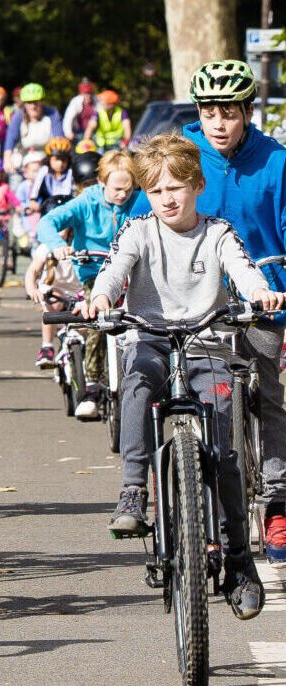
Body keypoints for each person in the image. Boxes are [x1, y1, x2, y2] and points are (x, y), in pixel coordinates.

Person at [86, 133, 284, 619]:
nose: (167, 198)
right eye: (155, 190)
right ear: (145, 195)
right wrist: (99, 299)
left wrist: (261, 295)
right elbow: (114, 272)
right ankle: (134, 488)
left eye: (176, 187)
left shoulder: (217, 233)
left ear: (197, 185)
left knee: (228, 452)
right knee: (135, 385)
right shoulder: (136, 230)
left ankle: (239, 562)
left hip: (207, 345)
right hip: (150, 339)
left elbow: (243, 269)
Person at [140, 59, 286, 565]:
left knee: (271, 395)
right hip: (192, 305)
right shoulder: (181, 153)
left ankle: (276, 504)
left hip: (260, 301)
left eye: (229, 112)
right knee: (171, 394)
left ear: (248, 111)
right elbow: (141, 222)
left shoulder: (277, 161)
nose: (218, 123)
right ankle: (178, 493)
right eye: (208, 112)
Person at [37, 150, 139, 418]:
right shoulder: (86, 202)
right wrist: (59, 246)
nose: (122, 195)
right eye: (117, 189)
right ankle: (92, 386)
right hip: (94, 272)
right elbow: (48, 222)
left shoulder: (139, 201)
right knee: (97, 317)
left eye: (128, 189)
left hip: (132, 272)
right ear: (102, 182)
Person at [25, 194, 81, 368]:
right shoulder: (47, 247)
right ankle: (47, 346)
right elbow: (32, 271)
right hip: (58, 292)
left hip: (80, 292)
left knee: (86, 326)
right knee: (51, 302)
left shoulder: (81, 242)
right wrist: (32, 289)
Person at [3, 83, 65, 173]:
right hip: (22, 160)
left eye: (36, 102)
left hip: (47, 159)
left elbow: (59, 139)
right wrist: (7, 160)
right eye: (29, 103)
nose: (33, 106)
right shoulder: (18, 116)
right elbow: (10, 140)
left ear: (42, 102)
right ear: (24, 104)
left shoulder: (52, 114)